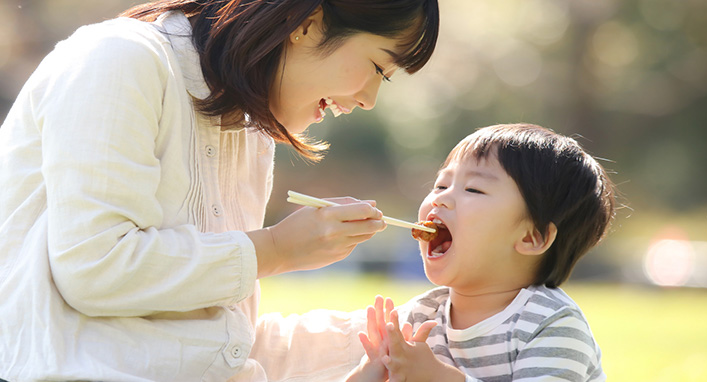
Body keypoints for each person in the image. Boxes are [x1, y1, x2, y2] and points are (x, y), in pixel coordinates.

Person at [0, 1, 439, 381]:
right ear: (307, 23)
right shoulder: (120, 58)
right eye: (379, 67)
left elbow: (221, 345)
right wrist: (275, 249)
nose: (369, 99)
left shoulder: (250, 137)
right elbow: (96, 267)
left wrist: (420, 327)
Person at [346, 123, 616, 382]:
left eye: (473, 189)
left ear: (531, 237)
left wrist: (441, 378)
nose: (439, 198)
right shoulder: (422, 315)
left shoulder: (552, 324)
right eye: (441, 185)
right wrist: (371, 372)